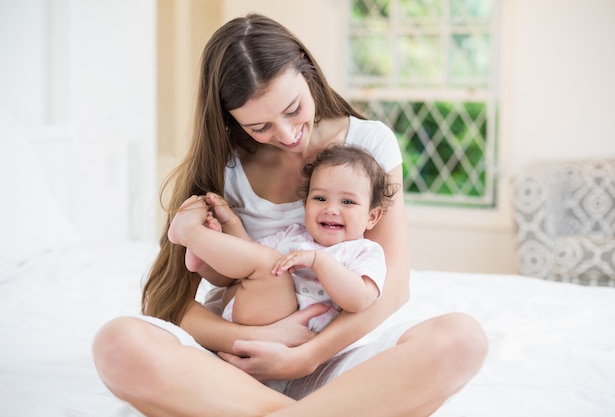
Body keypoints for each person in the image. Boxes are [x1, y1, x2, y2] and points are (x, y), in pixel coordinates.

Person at [92, 13, 488, 417]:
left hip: (334, 355)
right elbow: (169, 301)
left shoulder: (370, 143)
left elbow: (394, 287)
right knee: (118, 344)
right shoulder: (223, 164)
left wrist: (305, 357)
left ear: (305, 66)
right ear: (231, 120)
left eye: (293, 108)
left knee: (461, 340)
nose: (285, 135)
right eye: (259, 126)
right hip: (233, 365)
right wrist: (257, 339)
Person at [168, 145, 396, 333]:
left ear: (372, 217)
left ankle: (193, 237)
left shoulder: (365, 252)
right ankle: (203, 261)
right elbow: (248, 258)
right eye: (320, 198)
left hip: (286, 333)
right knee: (260, 263)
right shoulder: (294, 236)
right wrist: (231, 223)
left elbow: (359, 299)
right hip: (253, 316)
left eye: (347, 202)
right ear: (305, 205)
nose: (331, 209)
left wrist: (319, 261)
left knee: (268, 263)